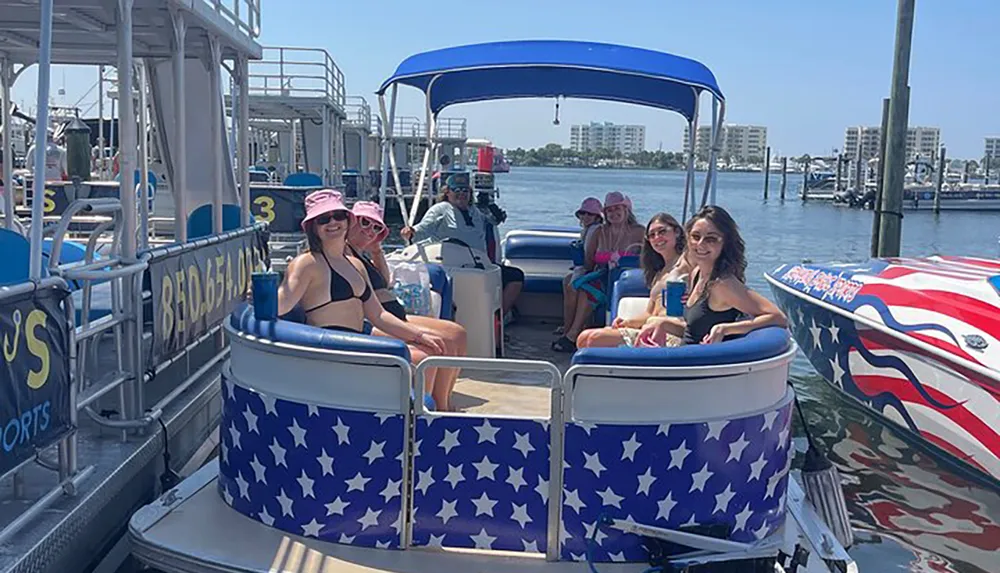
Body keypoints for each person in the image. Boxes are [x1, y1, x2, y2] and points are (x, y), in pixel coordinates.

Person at [276, 190, 452, 407]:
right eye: (323, 219)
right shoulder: (307, 263)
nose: (332, 223)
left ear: (348, 220)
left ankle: (423, 416)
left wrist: (419, 335)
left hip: (358, 342)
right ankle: (417, 417)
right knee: (421, 360)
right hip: (334, 352)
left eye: (338, 216)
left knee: (432, 350)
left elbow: (378, 314)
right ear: (313, 226)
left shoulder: (356, 265)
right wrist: (259, 295)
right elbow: (282, 302)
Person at [347, 201, 468, 411]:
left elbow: (384, 282)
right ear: (350, 222)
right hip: (376, 319)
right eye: (364, 222)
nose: (370, 230)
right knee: (440, 344)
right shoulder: (345, 256)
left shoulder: (361, 254)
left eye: (377, 227)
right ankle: (437, 409)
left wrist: (376, 250)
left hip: (392, 314)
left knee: (457, 334)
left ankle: (445, 402)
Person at [638, 205, 787, 346]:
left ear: (725, 243)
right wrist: (662, 323)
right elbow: (693, 331)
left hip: (698, 366)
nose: (700, 244)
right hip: (685, 356)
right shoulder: (697, 274)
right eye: (695, 237)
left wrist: (727, 328)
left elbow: (778, 317)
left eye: (711, 239)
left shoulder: (722, 284)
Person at [400, 173, 524, 317]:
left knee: (516, 276)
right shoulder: (441, 208)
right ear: (448, 192)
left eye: (465, 190)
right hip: (454, 265)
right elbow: (424, 228)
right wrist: (411, 231)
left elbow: (492, 221)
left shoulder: (474, 211)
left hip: (479, 264)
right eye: (456, 190)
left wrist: (494, 211)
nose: (461, 194)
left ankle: (497, 319)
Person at [576, 212, 689, 348]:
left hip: (671, 334)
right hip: (651, 328)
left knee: (593, 339)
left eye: (662, 231)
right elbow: (650, 313)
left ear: (676, 232)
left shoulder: (686, 264)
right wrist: (627, 322)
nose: (657, 238)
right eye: (652, 235)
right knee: (584, 337)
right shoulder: (658, 273)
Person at [551, 191, 645, 352]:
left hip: (625, 280)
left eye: (618, 209)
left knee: (585, 289)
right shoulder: (600, 232)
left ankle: (572, 335)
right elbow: (589, 262)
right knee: (580, 286)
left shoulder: (639, 231)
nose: (614, 213)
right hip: (602, 275)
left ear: (626, 210)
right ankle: (572, 333)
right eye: (610, 210)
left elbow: (647, 260)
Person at [555, 197, 603, 335]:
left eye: (590, 214)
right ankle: (568, 326)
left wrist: (579, 265)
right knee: (567, 281)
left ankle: (569, 329)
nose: (586, 217)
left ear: (597, 217)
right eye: (583, 213)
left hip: (595, 271)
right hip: (590, 270)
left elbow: (589, 261)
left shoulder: (596, 230)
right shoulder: (587, 231)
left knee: (572, 286)